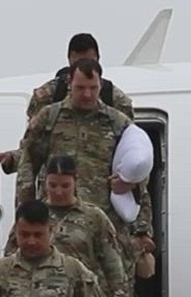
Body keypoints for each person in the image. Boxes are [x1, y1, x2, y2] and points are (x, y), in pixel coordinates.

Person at [16, 57, 154, 262]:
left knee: (114, 286)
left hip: (106, 225)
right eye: (80, 87)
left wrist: (142, 228)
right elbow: (27, 166)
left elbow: (140, 171)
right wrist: (25, 214)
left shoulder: (117, 123)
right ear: (69, 83)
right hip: (58, 223)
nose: (87, 94)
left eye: (93, 87)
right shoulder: (48, 119)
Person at [40, 153, 133, 297]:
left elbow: (113, 266)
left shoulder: (94, 218)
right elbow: (12, 259)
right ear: (45, 183)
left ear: (75, 182)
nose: (58, 192)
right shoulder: (34, 215)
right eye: (53, 185)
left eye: (65, 186)